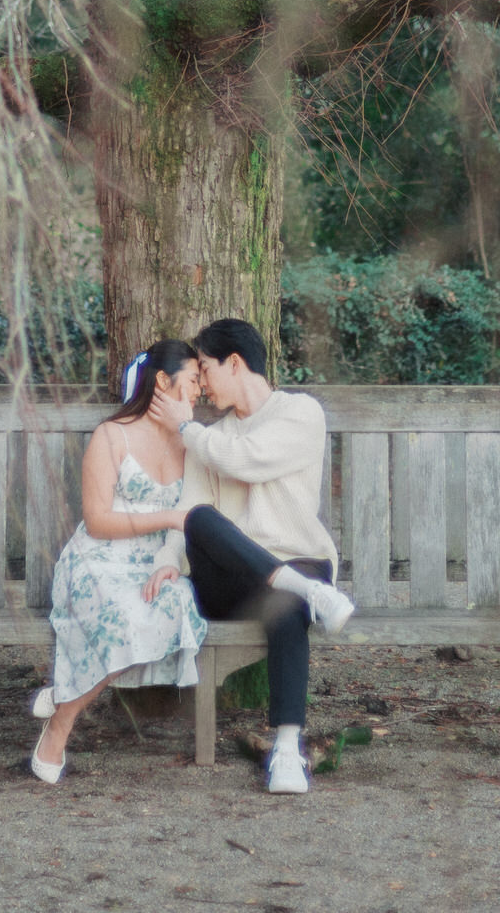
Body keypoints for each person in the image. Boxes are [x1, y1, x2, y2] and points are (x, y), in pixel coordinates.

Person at [149, 316, 355, 796]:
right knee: (199, 517)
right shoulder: (208, 436)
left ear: (235, 363)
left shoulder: (301, 414)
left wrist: (186, 430)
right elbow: (188, 512)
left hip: (299, 556)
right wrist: (166, 558)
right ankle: (310, 594)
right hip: (235, 580)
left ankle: (286, 751)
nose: (200, 381)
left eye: (206, 368)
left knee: (283, 608)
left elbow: (251, 459)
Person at [26, 340, 209, 784]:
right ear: (163, 382)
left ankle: (65, 694)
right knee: (123, 616)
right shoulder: (113, 435)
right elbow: (98, 519)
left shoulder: (195, 442)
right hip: (99, 558)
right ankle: (60, 727)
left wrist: (173, 553)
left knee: (172, 606)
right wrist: (170, 516)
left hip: (160, 561)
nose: (200, 390)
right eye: (192, 381)